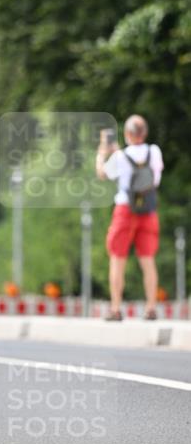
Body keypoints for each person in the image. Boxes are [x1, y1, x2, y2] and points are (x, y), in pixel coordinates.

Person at [95, 114, 164, 320]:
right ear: (144, 133)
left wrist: (101, 153)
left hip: (126, 209)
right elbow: (152, 173)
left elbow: (103, 173)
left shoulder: (120, 157)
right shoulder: (155, 151)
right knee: (148, 259)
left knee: (118, 258)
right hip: (149, 209)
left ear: (127, 134)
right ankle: (151, 307)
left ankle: (116, 308)